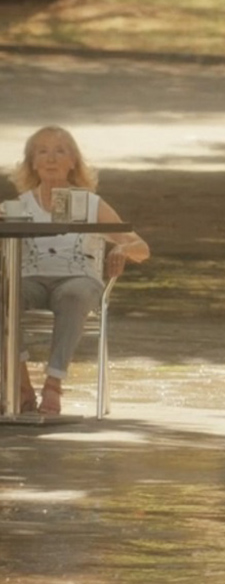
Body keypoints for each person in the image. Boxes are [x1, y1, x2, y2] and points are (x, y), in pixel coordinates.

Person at [8, 126, 150, 415]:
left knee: (75, 293)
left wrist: (122, 248)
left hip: (77, 279)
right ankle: (20, 384)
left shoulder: (90, 204)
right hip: (31, 281)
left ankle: (54, 384)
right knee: (5, 296)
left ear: (73, 161)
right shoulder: (17, 206)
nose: (51, 158)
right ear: (32, 162)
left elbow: (141, 248)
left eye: (60, 151)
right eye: (42, 151)